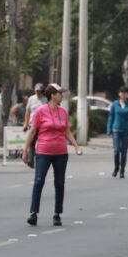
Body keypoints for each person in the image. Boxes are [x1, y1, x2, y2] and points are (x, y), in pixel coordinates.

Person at [22, 84, 82, 226]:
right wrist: (25, 150)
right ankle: (33, 213)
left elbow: (66, 131)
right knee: (39, 181)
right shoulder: (40, 111)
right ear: (52, 95)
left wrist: (76, 146)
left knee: (59, 183)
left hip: (61, 152)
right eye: (60, 93)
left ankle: (57, 213)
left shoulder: (63, 112)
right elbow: (32, 131)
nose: (62, 95)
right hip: (43, 151)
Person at [107, 86, 128, 178]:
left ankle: (122, 170)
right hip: (116, 130)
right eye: (122, 93)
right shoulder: (115, 104)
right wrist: (109, 129)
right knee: (116, 151)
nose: (123, 95)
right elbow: (111, 117)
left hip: (126, 131)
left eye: (125, 93)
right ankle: (116, 167)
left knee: (123, 151)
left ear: (127, 94)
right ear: (119, 94)